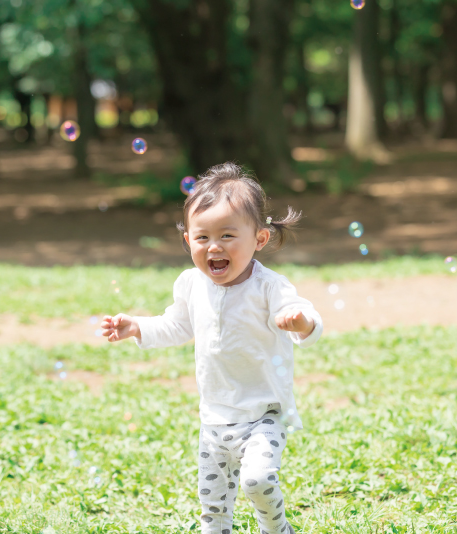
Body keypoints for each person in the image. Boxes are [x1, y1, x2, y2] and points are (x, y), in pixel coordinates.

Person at [101, 163, 323, 534]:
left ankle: (277, 529)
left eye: (227, 236)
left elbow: (307, 318)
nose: (214, 247)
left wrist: (301, 323)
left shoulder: (270, 287)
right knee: (214, 509)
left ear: (260, 239)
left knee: (257, 481)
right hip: (215, 419)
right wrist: (138, 326)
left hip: (265, 414)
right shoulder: (190, 284)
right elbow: (176, 325)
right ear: (188, 241)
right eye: (202, 238)